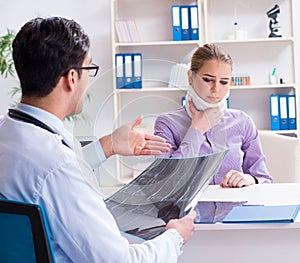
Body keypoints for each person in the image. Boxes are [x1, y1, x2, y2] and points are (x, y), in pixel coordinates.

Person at [0, 17, 196, 262]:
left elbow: (44, 178)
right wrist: (174, 238)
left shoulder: (10, 133)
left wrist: (109, 145)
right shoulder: (57, 164)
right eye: (89, 69)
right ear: (72, 78)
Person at [155, 43, 273, 188]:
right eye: (208, 80)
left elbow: (264, 179)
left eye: (223, 82)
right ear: (190, 77)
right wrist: (196, 131)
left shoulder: (243, 122)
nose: (216, 89)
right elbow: (165, 185)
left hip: (235, 209)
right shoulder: (166, 123)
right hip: (190, 211)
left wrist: (249, 179)